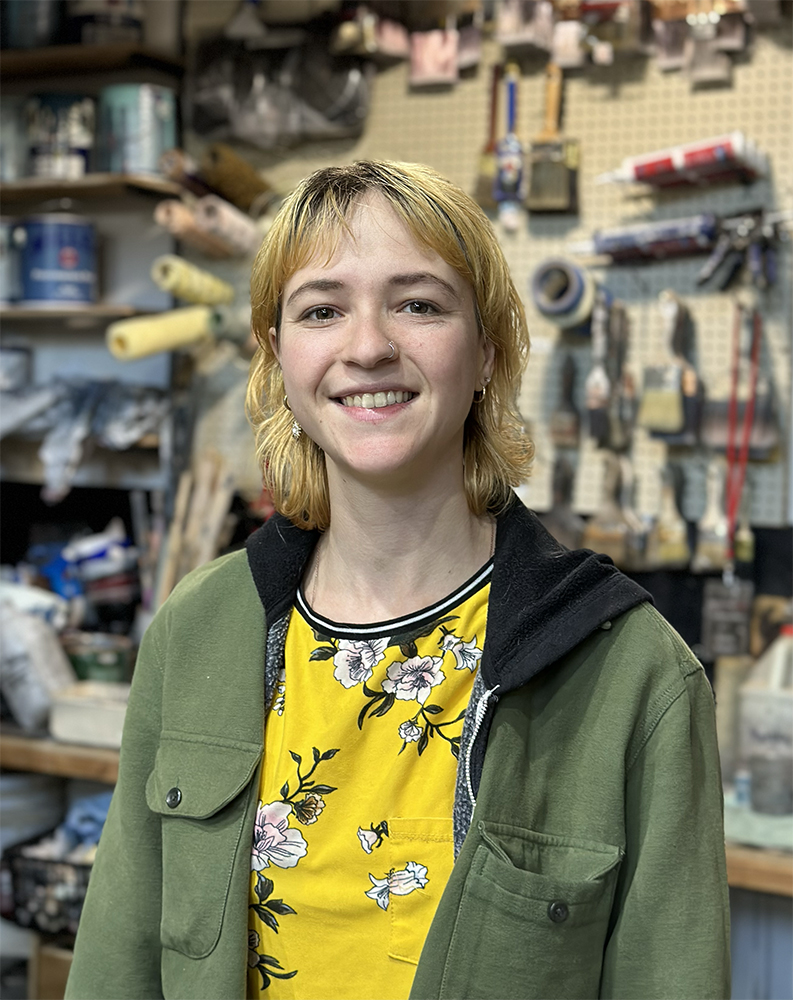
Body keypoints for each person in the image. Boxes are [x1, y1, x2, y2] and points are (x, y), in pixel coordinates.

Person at [66, 160, 730, 1000]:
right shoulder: (198, 630)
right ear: (276, 356)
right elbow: (114, 969)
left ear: (487, 349)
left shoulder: (632, 673)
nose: (368, 346)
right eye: (321, 310)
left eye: (418, 304)